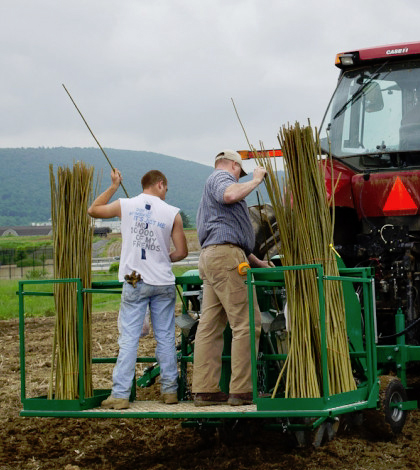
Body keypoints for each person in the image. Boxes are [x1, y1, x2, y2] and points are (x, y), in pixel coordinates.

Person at [88, 169, 188, 408]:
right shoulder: (173, 213)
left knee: (129, 338)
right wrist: (164, 258)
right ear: (161, 184)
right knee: (165, 337)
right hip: (163, 282)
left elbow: (93, 210)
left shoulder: (126, 204)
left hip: (135, 280)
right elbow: (182, 252)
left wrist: (114, 185)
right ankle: (170, 391)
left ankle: (121, 395)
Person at [192, 149, 270, 407]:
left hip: (214, 256)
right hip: (226, 258)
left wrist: (258, 262)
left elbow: (231, 233)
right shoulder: (221, 178)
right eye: (241, 172)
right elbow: (229, 194)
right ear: (234, 166)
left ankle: (205, 390)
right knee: (248, 323)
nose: (240, 177)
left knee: (211, 325)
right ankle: (242, 390)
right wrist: (257, 179)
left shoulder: (210, 192)